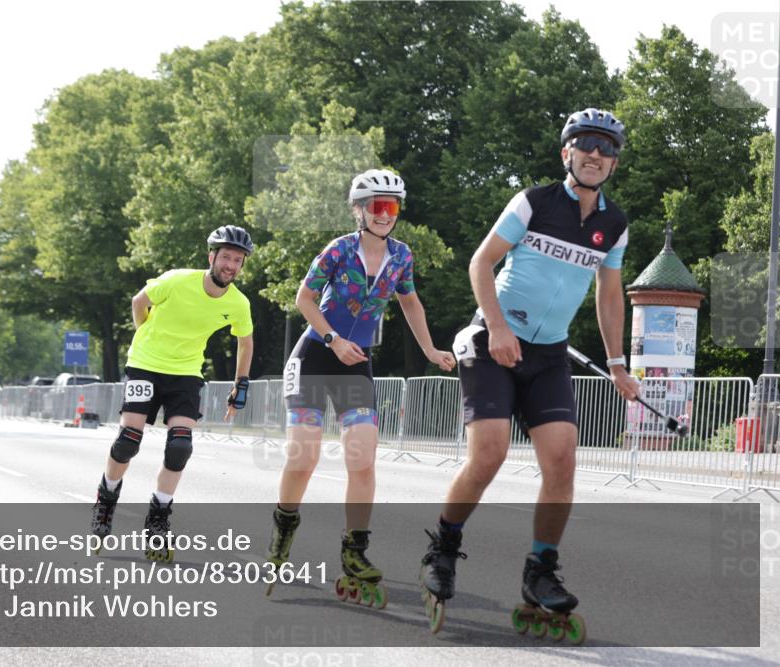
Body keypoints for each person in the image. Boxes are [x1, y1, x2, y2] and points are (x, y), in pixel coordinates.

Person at [420, 108, 639, 637]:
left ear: (613, 162)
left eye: (606, 147)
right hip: (492, 342)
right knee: (490, 453)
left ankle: (540, 570)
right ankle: (444, 547)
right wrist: (496, 327)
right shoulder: (533, 202)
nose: (595, 154)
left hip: (548, 355)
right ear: (567, 152)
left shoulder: (615, 225)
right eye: (585, 143)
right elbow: (480, 262)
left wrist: (617, 364)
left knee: (563, 460)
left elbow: (609, 297)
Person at [266, 169, 455, 605]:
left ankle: (355, 552)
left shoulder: (402, 256)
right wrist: (332, 338)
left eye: (392, 207)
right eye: (376, 206)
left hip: (356, 364)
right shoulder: (338, 249)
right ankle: (283, 531)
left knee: (363, 460)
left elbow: (410, 301)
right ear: (359, 210)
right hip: (316, 356)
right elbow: (303, 299)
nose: (385, 214)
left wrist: (429, 349)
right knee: (304, 456)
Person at [89, 225, 255, 561]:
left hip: (186, 373)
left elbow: (245, 341)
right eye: (225, 257)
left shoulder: (238, 303)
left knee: (180, 446)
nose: (231, 265)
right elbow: (140, 301)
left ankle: (158, 518)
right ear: (212, 257)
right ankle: (106, 501)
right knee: (128, 440)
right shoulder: (178, 280)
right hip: (145, 364)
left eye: (237, 260)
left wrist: (241, 383)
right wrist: (145, 335)